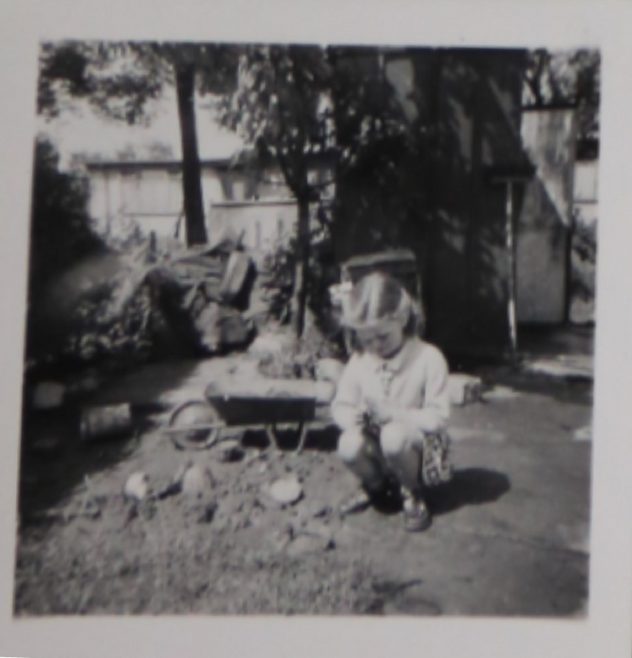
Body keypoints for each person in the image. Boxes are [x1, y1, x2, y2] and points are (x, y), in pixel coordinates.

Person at [331, 271, 452, 532]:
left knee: (394, 436)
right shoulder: (361, 360)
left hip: (416, 447)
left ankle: (412, 491)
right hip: (377, 442)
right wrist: (351, 417)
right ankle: (377, 486)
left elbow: (438, 418)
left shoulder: (427, 358)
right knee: (348, 443)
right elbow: (341, 405)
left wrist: (396, 413)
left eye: (383, 336)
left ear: (403, 318)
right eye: (366, 338)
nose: (375, 345)